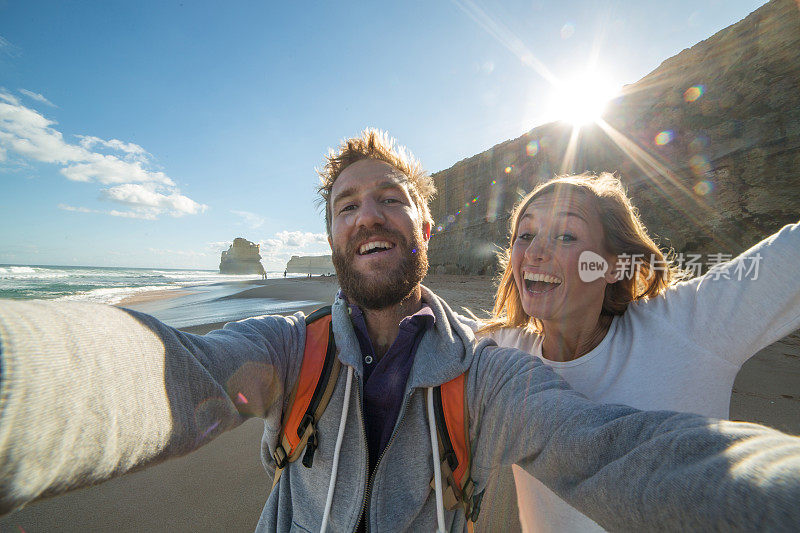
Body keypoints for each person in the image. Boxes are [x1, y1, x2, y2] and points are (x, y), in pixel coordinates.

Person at [2, 131, 800, 532]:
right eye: (346, 206)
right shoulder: (291, 346)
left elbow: (615, 448)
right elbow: (169, 370)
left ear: (426, 224)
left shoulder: (489, 372)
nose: (367, 214)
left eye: (388, 197)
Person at [477, 172, 800, 532]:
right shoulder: (502, 351)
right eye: (526, 235)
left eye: (566, 235)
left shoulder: (687, 324)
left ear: (613, 265)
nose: (535, 252)